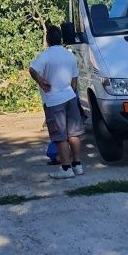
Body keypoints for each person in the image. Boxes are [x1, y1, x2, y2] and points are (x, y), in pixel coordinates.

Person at [30, 24, 85, 179]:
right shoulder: (70, 55)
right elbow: (74, 80)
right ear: (60, 39)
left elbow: (32, 69)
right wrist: (70, 91)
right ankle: (78, 164)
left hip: (54, 100)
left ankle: (66, 168)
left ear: (47, 40)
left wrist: (41, 81)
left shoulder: (45, 56)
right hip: (70, 96)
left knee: (59, 135)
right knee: (74, 133)